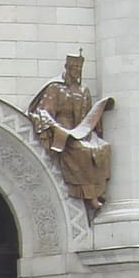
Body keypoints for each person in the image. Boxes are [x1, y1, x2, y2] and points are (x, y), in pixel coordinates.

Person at [25, 53, 114, 215]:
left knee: (103, 148)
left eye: (79, 68)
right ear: (67, 68)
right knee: (81, 151)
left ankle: (97, 191)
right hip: (63, 132)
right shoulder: (55, 87)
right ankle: (89, 195)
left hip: (82, 131)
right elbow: (43, 111)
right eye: (74, 68)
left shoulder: (84, 90)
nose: (76, 71)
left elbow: (88, 116)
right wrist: (56, 128)